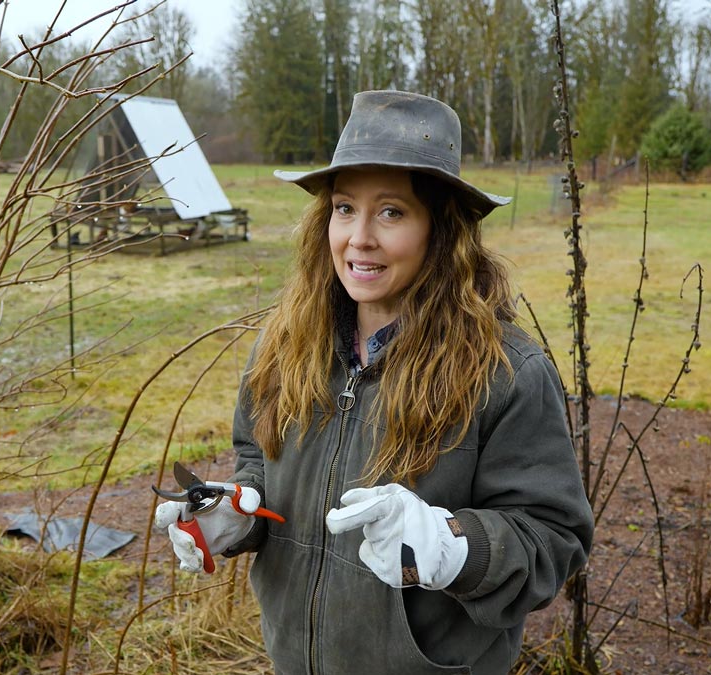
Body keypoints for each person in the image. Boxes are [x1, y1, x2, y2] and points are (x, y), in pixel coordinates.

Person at [155, 90, 594, 675]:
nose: (359, 237)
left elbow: (553, 540)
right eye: (343, 208)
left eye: (391, 211)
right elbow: (258, 460)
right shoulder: (286, 345)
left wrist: (452, 545)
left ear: (441, 230)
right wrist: (236, 513)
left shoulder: (504, 373)